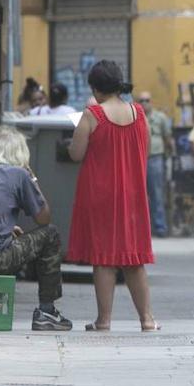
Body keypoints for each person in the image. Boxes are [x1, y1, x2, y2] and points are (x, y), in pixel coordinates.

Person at [67, 60, 158, 332]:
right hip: (132, 195)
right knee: (134, 258)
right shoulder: (139, 113)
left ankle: (103, 320)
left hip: (101, 195)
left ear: (95, 88)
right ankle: (147, 320)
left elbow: (76, 153)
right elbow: (147, 150)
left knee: (104, 259)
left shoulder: (92, 114)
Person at [0, 126, 73, 331]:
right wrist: (33, 179)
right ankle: (47, 311)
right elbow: (43, 219)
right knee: (50, 234)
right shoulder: (18, 174)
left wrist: (7, 230)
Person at [138, 91, 173, 238]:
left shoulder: (160, 118)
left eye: (147, 100)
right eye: (141, 101)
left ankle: (160, 227)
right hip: (138, 159)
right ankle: (140, 229)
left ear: (151, 101)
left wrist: (168, 158)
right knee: (137, 195)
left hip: (155, 158)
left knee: (157, 194)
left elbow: (167, 137)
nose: (144, 103)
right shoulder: (135, 117)